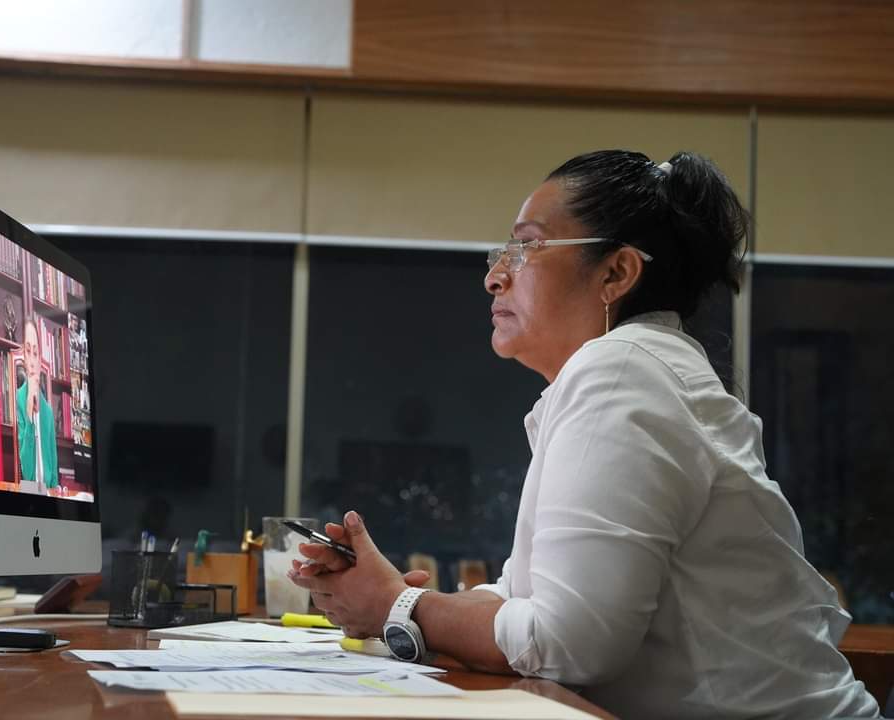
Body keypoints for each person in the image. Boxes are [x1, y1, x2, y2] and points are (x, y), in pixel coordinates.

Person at [289, 150, 880, 719]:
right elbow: (519, 600)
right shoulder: (630, 370)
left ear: (617, 272)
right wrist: (395, 597)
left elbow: (571, 640)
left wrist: (399, 604)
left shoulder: (622, 371)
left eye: (526, 247)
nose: (495, 277)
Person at [17, 317, 59, 494]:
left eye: (35, 352)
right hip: (29, 490)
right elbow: (26, 470)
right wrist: (29, 417)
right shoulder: (18, 398)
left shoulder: (48, 412)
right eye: (28, 351)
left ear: (40, 360)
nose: (32, 360)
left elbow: (54, 468)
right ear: (24, 357)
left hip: (49, 492)